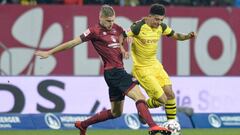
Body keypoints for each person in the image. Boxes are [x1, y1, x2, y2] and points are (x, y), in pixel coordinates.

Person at [35, 5, 170, 135]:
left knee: (116, 113)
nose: (111, 24)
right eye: (108, 21)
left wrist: (125, 46)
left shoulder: (117, 28)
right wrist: (49, 52)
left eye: (113, 20)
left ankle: (83, 124)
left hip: (115, 73)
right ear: (100, 17)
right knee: (139, 97)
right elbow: (72, 43)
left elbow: (129, 34)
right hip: (113, 72)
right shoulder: (93, 31)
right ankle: (153, 126)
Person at [124, 3, 196, 123]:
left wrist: (188, 36)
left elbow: (176, 35)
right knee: (163, 100)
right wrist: (123, 48)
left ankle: (172, 125)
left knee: (170, 95)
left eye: (161, 19)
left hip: (155, 66)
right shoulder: (138, 27)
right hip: (142, 69)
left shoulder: (161, 27)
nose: (158, 22)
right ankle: (144, 107)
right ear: (149, 16)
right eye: (156, 19)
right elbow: (121, 36)